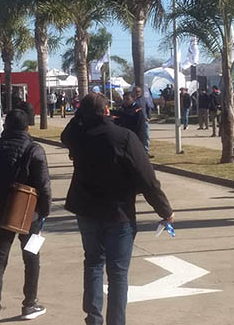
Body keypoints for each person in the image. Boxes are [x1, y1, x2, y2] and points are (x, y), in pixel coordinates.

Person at [61, 93, 174, 325]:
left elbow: (66, 134)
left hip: (88, 211)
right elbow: (147, 179)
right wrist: (164, 210)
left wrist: (81, 114)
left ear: (83, 114)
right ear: (106, 111)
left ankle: (93, 319)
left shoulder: (79, 136)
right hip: (118, 213)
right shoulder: (124, 137)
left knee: (93, 263)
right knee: (118, 273)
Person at [0, 109, 52, 324]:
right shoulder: (35, 150)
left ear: (5, 127)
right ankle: (29, 303)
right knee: (31, 257)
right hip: (28, 212)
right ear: (27, 127)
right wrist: (44, 211)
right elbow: (44, 185)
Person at [133, 86, 155, 157]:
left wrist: (148, 116)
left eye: (139, 91)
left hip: (144, 120)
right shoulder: (131, 100)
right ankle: (136, 151)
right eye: (136, 91)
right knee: (135, 136)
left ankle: (146, 151)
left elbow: (149, 107)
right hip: (134, 121)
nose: (137, 93)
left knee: (146, 136)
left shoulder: (144, 99)